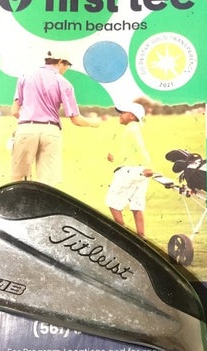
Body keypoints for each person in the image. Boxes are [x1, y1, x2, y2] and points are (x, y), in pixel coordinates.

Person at [11, 52, 99, 186]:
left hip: (26, 129)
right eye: (67, 65)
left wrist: (26, 123)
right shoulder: (63, 82)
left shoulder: (25, 76)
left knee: (18, 180)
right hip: (51, 131)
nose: (67, 69)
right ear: (60, 61)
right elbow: (75, 119)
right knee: (47, 183)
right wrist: (93, 123)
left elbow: (14, 111)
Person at [105, 102, 153, 238]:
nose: (120, 115)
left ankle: (125, 236)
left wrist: (149, 167)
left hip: (128, 172)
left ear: (132, 116)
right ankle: (141, 237)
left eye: (123, 113)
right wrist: (114, 159)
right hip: (140, 171)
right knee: (137, 206)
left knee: (112, 202)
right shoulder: (136, 128)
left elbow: (141, 147)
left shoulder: (131, 129)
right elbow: (130, 154)